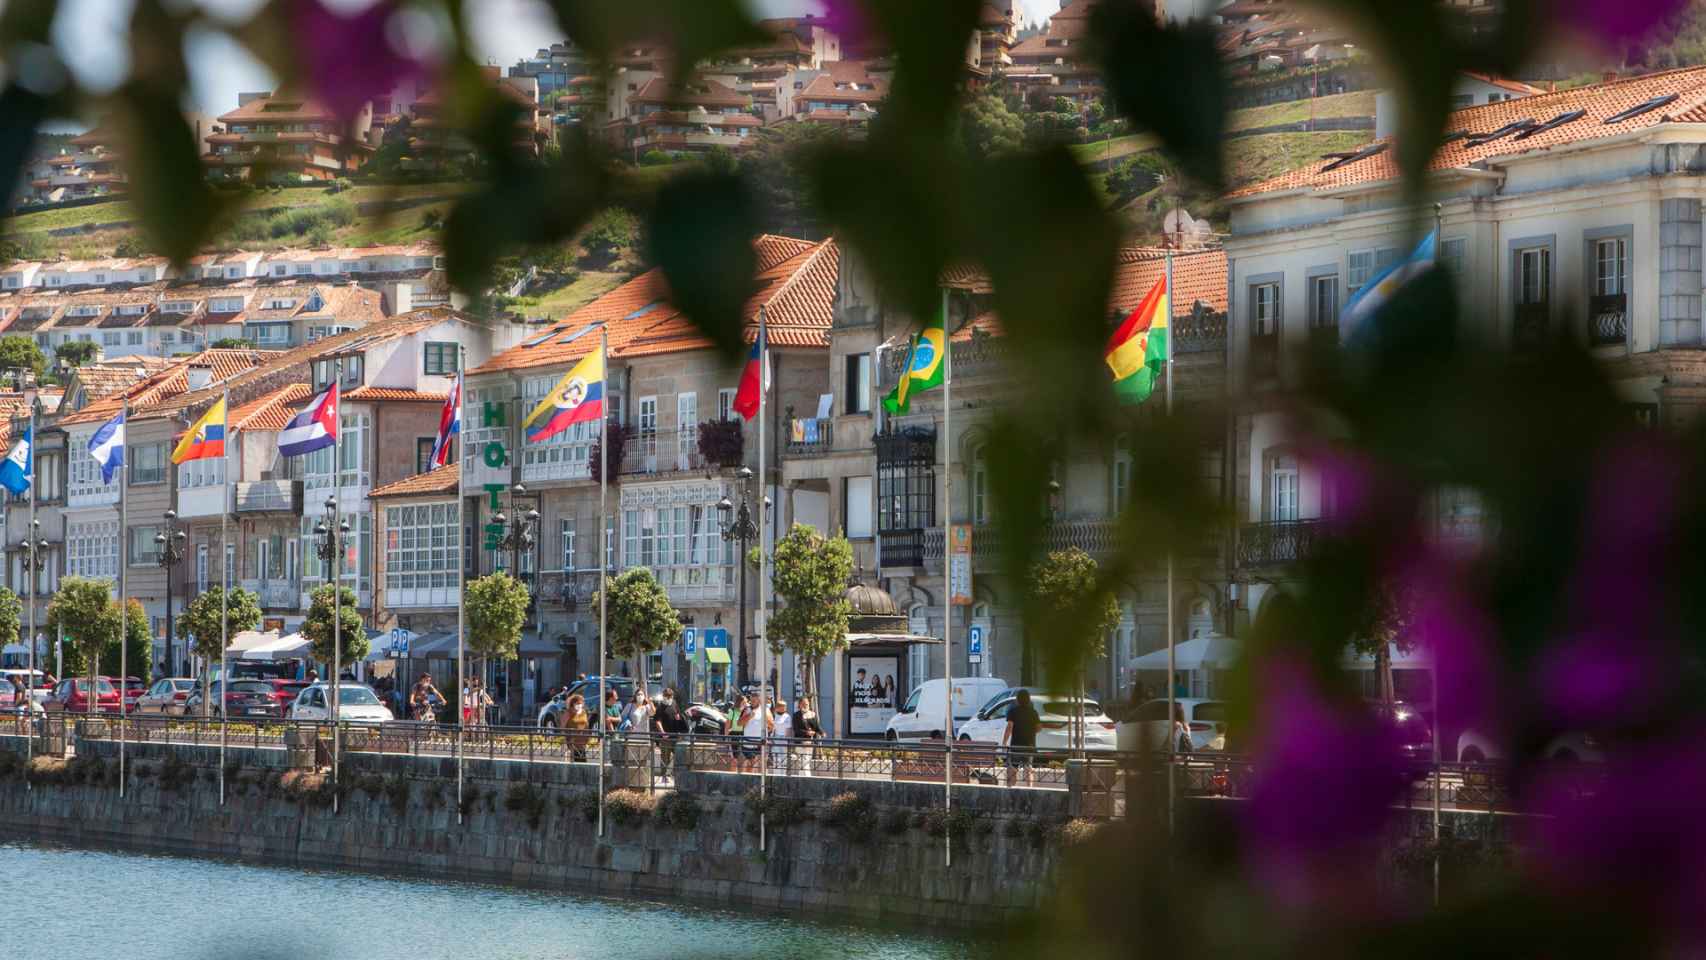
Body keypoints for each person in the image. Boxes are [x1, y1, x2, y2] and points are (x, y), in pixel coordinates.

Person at [1003, 688, 1040, 787]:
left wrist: (1004, 742)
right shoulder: (1034, 712)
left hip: (1016, 745)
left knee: (1012, 769)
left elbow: (1009, 727)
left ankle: (1010, 788)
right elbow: (1038, 728)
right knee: (1028, 769)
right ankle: (1030, 789)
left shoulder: (1013, 712)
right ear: (1028, 699)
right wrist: (1030, 731)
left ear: (1018, 700)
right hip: (1029, 745)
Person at [740, 693, 770, 774]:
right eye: (751, 700)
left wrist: (767, 721)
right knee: (750, 765)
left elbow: (771, 725)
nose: (753, 702)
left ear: (759, 700)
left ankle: (763, 782)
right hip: (748, 743)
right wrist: (749, 716)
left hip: (761, 743)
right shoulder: (746, 710)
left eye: (754, 700)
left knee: (761, 765)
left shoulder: (765, 710)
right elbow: (739, 723)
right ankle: (749, 782)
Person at [560, 693, 590, 761]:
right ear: (573, 703)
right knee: (574, 762)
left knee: (583, 762)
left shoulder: (583, 712)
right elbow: (562, 727)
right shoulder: (568, 713)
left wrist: (587, 736)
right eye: (578, 703)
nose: (580, 705)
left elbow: (586, 724)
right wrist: (566, 739)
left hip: (582, 742)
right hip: (572, 742)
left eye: (581, 703)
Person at [769, 697, 792, 771]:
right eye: (781, 706)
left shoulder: (788, 716)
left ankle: (783, 774)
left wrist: (788, 740)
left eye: (784, 706)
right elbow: (772, 727)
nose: (783, 708)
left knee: (784, 757)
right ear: (777, 707)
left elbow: (788, 729)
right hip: (776, 737)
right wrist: (771, 738)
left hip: (784, 738)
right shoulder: (774, 715)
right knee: (776, 757)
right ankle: (776, 774)